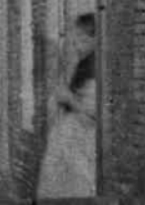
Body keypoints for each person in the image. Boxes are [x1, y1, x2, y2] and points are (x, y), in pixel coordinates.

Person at [37, 13, 97, 198]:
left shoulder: (95, 66)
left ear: (94, 39)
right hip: (71, 140)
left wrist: (68, 98)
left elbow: (92, 113)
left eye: (81, 39)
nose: (76, 45)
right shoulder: (84, 63)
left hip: (80, 143)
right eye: (75, 39)